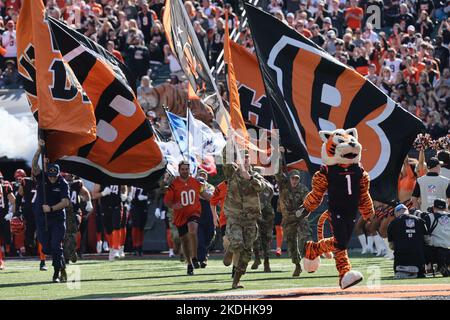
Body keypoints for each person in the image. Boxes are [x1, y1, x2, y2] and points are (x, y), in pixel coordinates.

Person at [222, 148, 265, 289]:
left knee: (247, 253)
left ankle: (236, 280)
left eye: (247, 158)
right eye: (242, 158)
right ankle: (231, 248)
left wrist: (250, 178)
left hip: (250, 220)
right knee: (238, 243)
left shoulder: (255, 175)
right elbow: (226, 159)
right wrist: (229, 142)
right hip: (235, 216)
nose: (245, 160)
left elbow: (261, 187)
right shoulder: (232, 173)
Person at [164, 161, 212, 275]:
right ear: (179, 170)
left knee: (193, 230)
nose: (185, 171)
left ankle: (195, 257)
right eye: (183, 169)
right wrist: (174, 205)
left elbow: (205, 194)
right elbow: (167, 201)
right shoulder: (174, 184)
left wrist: (219, 199)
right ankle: (189, 264)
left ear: (190, 170)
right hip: (180, 216)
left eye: (186, 169)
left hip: (193, 213)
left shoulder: (195, 182)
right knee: (184, 241)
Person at [31, 140, 70, 283]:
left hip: (57, 218)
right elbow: (34, 166)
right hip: (42, 218)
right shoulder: (42, 177)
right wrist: (39, 150)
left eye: (54, 176)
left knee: (55, 245)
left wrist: (52, 208)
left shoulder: (63, 183)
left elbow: (65, 202)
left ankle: (56, 273)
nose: (52, 179)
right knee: (46, 248)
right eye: (50, 176)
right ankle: (61, 264)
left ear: (59, 174)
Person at [275, 148, 311, 277]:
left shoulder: (303, 189)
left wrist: (300, 211)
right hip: (288, 219)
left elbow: (308, 204)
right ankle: (297, 264)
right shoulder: (283, 185)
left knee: (304, 237)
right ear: (289, 178)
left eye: (297, 179)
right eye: (293, 179)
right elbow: (277, 171)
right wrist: (279, 155)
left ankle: (307, 256)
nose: (294, 181)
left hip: (300, 218)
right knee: (291, 243)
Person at [387, 204, 427, 279]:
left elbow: (391, 246)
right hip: (418, 259)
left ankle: (404, 272)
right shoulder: (419, 220)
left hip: (401, 259)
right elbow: (427, 239)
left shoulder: (392, 223)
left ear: (396, 213)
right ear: (407, 211)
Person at [92, 183, 128, 261]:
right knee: (108, 230)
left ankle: (116, 248)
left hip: (117, 205)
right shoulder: (101, 180)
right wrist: (103, 193)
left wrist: (124, 194)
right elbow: (94, 195)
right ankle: (112, 247)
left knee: (117, 226)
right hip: (105, 207)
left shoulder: (117, 176)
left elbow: (124, 186)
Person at [62, 173, 93, 264]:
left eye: (71, 176)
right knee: (63, 234)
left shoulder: (76, 184)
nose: (70, 178)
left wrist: (89, 202)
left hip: (74, 212)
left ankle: (70, 252)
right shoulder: (59, 184)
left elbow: (86, 193)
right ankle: (67, 253)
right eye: (68, 176)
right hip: (63, 212)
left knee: (71, 233)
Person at [251, 174, 274, 273]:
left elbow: (263, 203)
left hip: (265, 215)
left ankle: (266, 262)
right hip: (255, 214)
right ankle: (257, 258)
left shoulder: (266, 186)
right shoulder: (251, 185)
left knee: (266, 239)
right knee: (254, 237)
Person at [423, 198, 450, 276]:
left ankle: (426, 269)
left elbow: (424, 235)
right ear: (445, 208)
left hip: (435, 252)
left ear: (434, 208)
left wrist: (429, 242)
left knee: (421, 244)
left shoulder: (429, 217)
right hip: (448, 250)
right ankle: (443, 267)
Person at [196, 169, 215, 268]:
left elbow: (210, 198)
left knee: (210, 235)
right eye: (200, 175)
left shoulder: (210, 186)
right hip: (197, 214)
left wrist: (201, 190)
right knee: (200, 239)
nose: (202, 177)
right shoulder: (193, 185)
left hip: (208, 213)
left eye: (204, 175)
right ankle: (201, 259)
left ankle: (205, 252)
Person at [0, 171, 16, 270]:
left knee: (7, 240)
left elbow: (14, 202)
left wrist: (11, 213)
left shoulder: (5, 187)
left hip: (3, 216)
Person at [129, 186, 149, 256]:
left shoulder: (147, 182)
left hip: (143, 206)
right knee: (135, 226)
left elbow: (154, 193)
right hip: (134, 206)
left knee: (141, 227)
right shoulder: (133, 183)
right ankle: (135, 246)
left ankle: (140, 246)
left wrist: (147, 197)